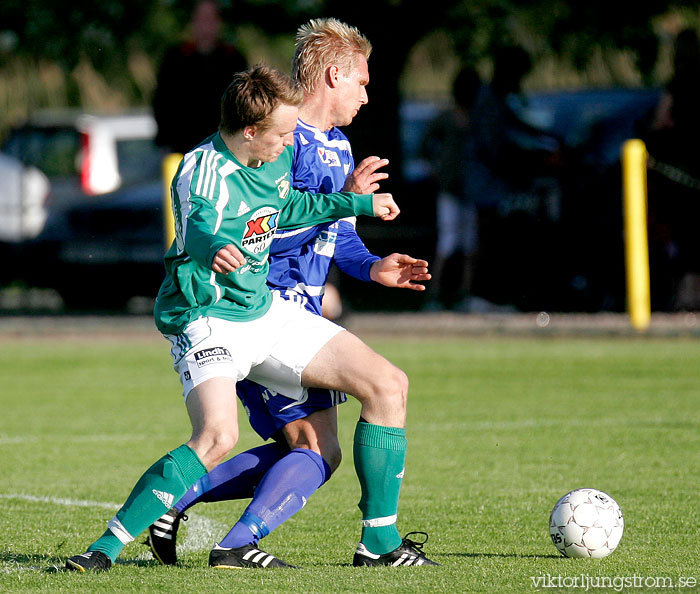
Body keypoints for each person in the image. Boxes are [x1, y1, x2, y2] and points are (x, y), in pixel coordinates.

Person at [64, 63, 422, 573]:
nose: (288, 144)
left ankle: (379, 544)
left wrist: (357, 203)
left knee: (387, 384)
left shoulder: (273, 157)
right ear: (250, 130)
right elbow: (197, 227)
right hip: (208, 318)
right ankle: (104, 549)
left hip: (265, 312)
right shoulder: (200, 169)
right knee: (217, 437)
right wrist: (215, 249)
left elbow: (289, 206)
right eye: (280, 134)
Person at [146, 18, 436, 569]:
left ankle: (178, 500)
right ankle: (268, 544)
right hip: (261, 310)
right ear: (334, 75)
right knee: (324, 440)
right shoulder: (280, 142)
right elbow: (260, 229)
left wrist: (372, 266)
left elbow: (337, 235)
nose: (367, 94)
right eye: (362, 82)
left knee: (313, 449)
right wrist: (346, 198)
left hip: (302, 315)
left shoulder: (337, 145)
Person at [421, 66, 481, 311]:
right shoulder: (447, 119)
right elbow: (425, 146)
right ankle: (436, 294)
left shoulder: (475, 119)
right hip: (451, 188)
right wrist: (438, 170)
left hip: (471, 189)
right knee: (449, 242)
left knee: (467, 245)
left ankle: (462, 294)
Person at [152, 0, 247, 155]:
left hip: (223, 147)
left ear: (218, 22)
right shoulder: (176, 58)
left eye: (210, 19)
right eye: (201, 19)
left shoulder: (233, 59)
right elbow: (162, 101)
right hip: (182, 147)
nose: (206, 25)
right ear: (192, 22)